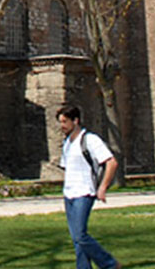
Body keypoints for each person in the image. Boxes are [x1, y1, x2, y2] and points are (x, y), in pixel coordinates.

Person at [57, 105, 119, 269]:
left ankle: (109, 264)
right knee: (77, 238)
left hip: (84, 193)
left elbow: (111, 163)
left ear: (75, 121)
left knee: (80, 235)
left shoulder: (90, 140)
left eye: (65, 121)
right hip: (69, 194)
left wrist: (103, 187)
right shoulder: (67, 143)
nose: (62, 126)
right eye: (60, 122)